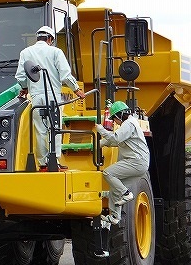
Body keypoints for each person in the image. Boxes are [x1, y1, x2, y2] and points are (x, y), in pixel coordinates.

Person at [15, 25, 85, 171]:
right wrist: (76, 89)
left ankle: (42, 164)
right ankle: (55, 161)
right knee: (55, 128)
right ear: (50, 39)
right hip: (53, 96)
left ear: (38, 37)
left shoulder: (25, 52)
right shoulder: (56, 52)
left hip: (35, 96)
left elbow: (21, 76)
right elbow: (65, 74)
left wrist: (25, 87)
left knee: (40, 130)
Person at [94, 101, 149, 224]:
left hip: (136, 161)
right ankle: (114, 217)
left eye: (114, 118)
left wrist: (101, 130)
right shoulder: (130, 123)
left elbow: (115, 138)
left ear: (120, 115)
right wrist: (99, 144)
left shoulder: (129, 124)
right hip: (141, 163)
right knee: (115, 187)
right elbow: (116, 142)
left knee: (108, 173)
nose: (114, 121)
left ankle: (127, 194)